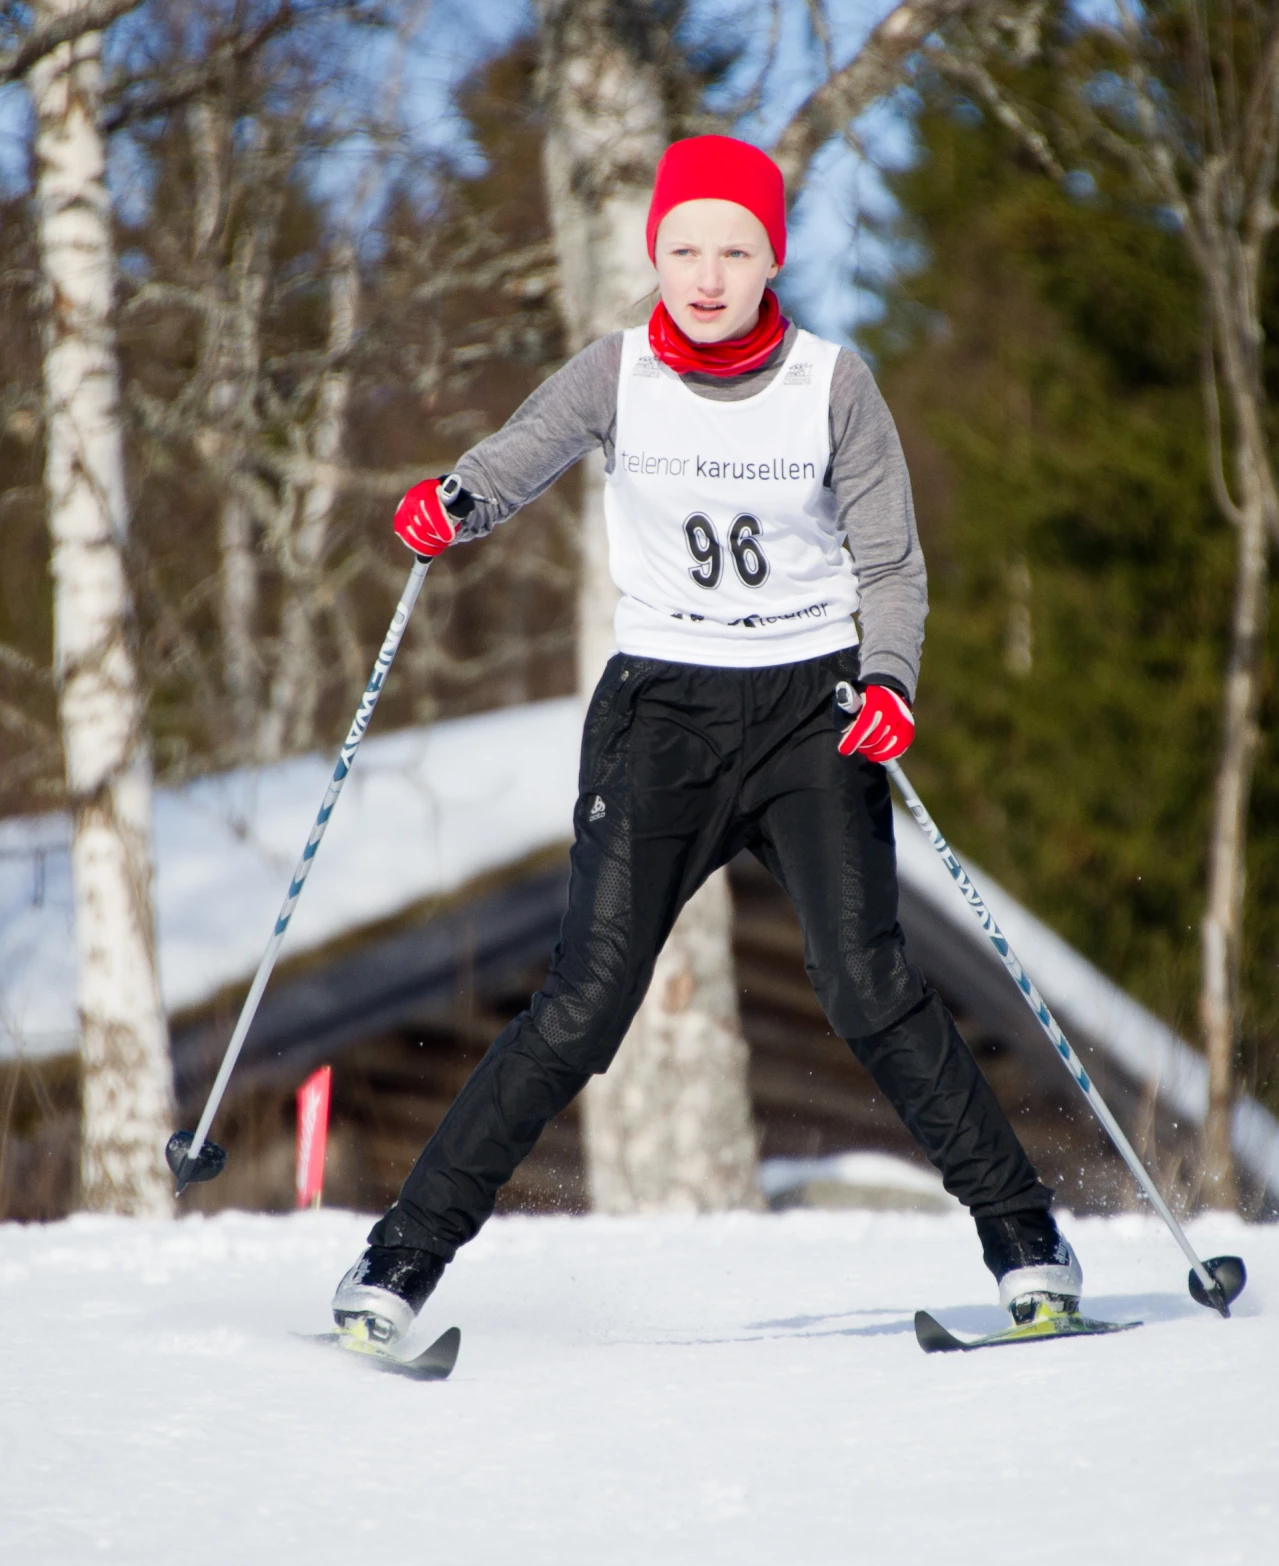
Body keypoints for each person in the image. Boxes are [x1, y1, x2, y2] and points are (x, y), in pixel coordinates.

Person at [332, 134, 1076, 1343]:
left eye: (736, 248)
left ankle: (1029, 1251)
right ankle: (394, 1268)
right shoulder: (616, 371)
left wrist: (887, 678)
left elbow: (890, 564)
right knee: (580, 1007)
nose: (709, 273)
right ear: (656, 253)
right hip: (660, 716)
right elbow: (519, 456)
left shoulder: (831, 384)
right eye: (685, 248)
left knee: (868, 986)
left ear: (772, 255)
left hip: (809, 712)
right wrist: (453, 501)